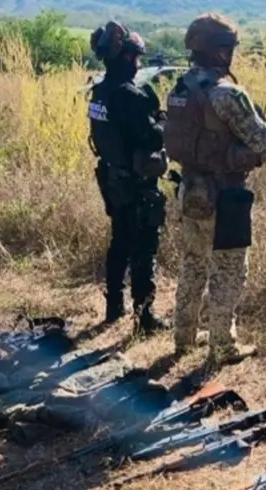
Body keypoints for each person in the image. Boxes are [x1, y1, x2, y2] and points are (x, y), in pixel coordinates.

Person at [163, 12, 266, 368]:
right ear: (221, 52)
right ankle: (223, 346)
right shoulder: (227, 93)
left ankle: (183, 336)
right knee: (229, 271)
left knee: (193, 264)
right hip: (224, 195)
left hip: (190, 188)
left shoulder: (180, 88)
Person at [87, 21, 170, 333]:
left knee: (119, 240)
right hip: (136, 184)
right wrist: (162, 119)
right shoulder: (130, 95)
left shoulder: (100, 91)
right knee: (145, 246)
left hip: (112, 178)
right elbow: (152, 137)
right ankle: (145, 318)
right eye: (136, 58)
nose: (138, 65)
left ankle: (114, 308)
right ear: (125, 57)